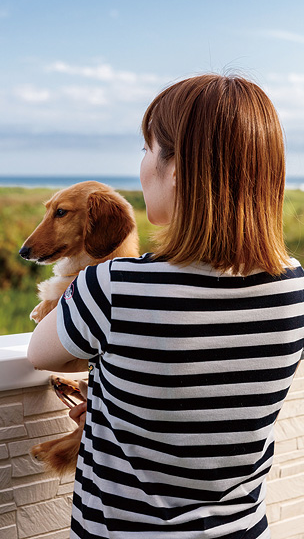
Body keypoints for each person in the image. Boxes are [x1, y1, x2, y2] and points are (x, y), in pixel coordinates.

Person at [27, 74, 304, 539]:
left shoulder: (114, 285)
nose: (141, 166)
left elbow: (40, 353)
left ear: (177, 168)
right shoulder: (293, 284)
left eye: (146, 148)